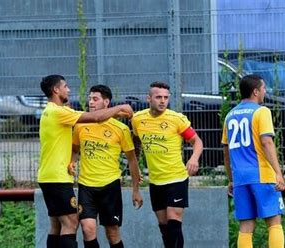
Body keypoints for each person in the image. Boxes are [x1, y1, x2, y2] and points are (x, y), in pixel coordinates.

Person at [38, 75, 133, 248]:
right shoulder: (60, 112)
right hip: (58, 178)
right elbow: (95, 118)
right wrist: (121, 107)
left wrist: (72, 161)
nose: (68, 90)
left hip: (48, 176)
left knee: (57, 224)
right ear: (56, 90)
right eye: (65, 86)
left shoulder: (49, 111)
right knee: (71, 222)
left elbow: (100, 120)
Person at [69, 84, 143, 248]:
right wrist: (73, 161)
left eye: (95, 99)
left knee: (112, 232)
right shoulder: (80, 125)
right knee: (87, 229)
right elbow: (75, 150)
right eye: (89, 99)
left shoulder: (120, 129)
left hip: (110, 186)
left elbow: (132, 160)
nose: (91, 103)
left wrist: (136, 190)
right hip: (86, 185)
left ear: (106, 102)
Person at [131, 81, 203, 248]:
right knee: (164, 226)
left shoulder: (176, 119)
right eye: (158, 97)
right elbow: (136, 145)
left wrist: (194, 158)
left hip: (176, 178)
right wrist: (136, 168)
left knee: (174, 220)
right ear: (148, 98)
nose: (162, 101)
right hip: (156, 181)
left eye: (165, 97)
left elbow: (197, 141)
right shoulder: (138, 119)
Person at [221, 74, 285, 248]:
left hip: (240, 178)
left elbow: (226, 151)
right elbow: (266, 141)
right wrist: (278, 172)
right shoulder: (261, 111)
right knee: (274, 222)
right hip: (262, 174)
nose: (265, 91)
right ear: (256, 91)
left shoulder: (230, 116)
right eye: (264, 88)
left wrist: (231, 179)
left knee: (246, 227)